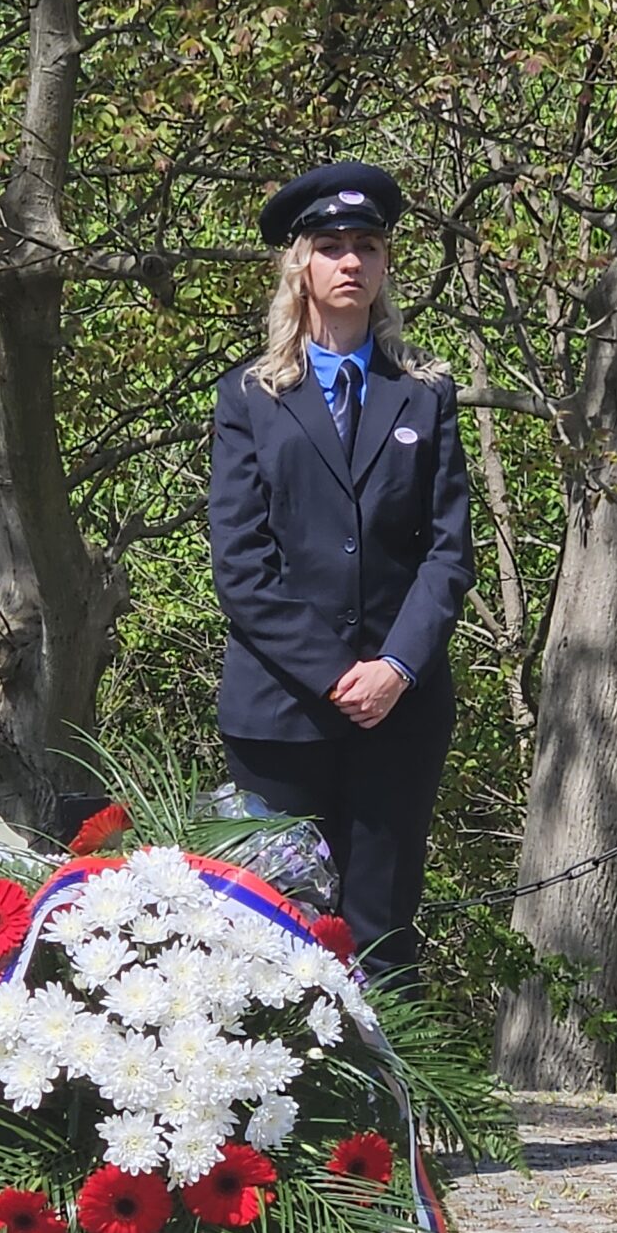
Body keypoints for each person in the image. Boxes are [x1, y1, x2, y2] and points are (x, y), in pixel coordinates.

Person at [208, 161, 474, 985]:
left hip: (399, 713)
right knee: (275, 931)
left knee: (381, 932)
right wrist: (336, 675)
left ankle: (383, 1114)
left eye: (367, 245)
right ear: (303, 267)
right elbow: (242, 566)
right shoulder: (251, 397)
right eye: (331, 246)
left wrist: (393, 668)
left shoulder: (423, 395)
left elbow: (448, 551)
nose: (351, 260)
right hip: (282, 716)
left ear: (386, 265)